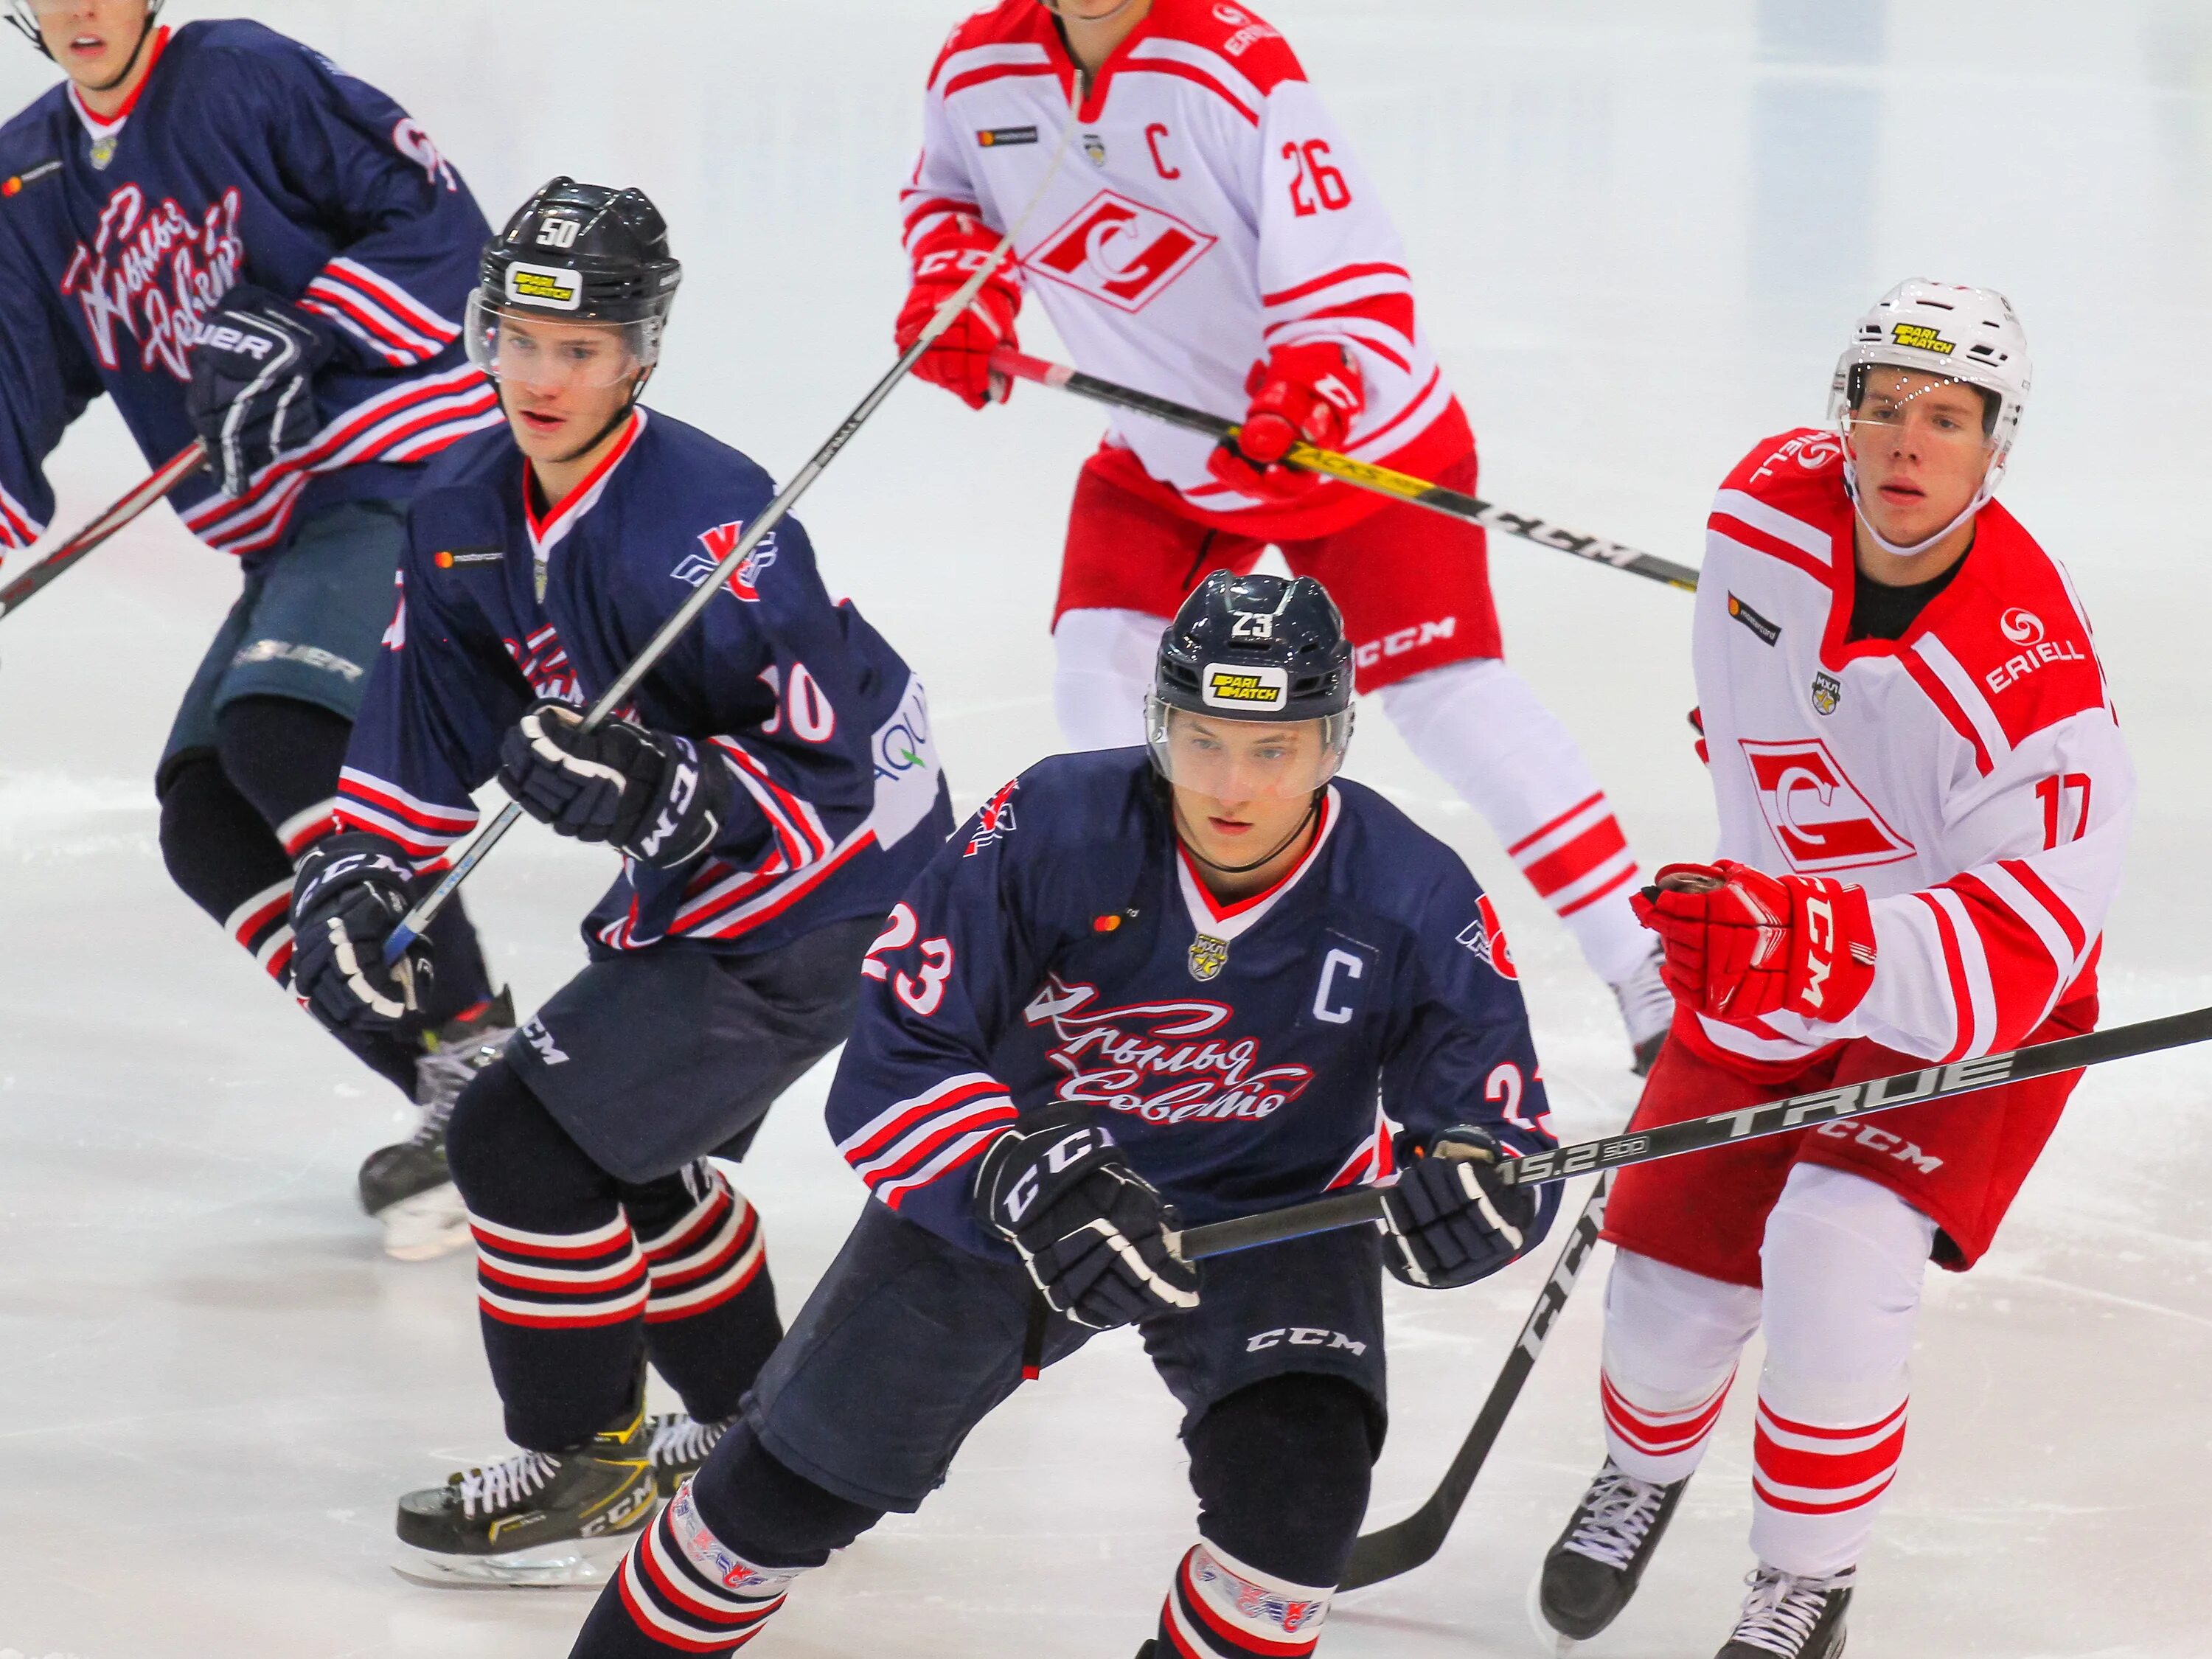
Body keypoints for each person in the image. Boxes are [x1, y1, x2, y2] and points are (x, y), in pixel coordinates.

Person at [561, 569, 1562, 1658]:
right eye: (1201, 737)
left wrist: (1477, 1192)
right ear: (1158, 723)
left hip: (1271, 1217)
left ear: (1332, 744)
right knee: (762, 1512)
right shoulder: (1052, 823)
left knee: (1294, 1522)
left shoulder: (1411, 892)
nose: (1230, 782)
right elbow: (902, 1037)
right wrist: (1011, 1176)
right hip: (1015, 1204)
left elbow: (1495, 1131)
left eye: (1271, 749)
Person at [287, 176, 953, 1586]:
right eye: (519, 337)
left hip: (838, 884)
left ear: (638, 355)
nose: (540, 374)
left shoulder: (707, 520)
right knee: (616, 1145)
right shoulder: (462, 500)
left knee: (523, 1138)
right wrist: (359, 867)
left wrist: (665, 790)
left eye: (578, 349)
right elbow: (424, 709)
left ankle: (586, 1454)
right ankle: (750, 1425)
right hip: (724, 886)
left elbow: (831, 778)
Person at [894, 0, 1672, 1070]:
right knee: (1097, 674)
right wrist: (957, 293)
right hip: (1165, 450)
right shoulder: (978, 68)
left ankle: (1643, 966)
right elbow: (949, 195)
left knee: (1451, 698)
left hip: (1351, 441)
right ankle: (1117, 971)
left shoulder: (1228, 64)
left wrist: (1313, 374)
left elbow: (1349, 257)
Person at [1530, 282, 2133, 1659]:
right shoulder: (1758, 512)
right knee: (1669, 1269)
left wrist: (1812, 937)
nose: (1907, 443)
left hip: (1966, 995)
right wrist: (1770, 870)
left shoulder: (2034, 684)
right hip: (1771, 946)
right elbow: (1756, 702)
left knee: (1834, 1246)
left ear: (1998, 447)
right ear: (1842, 417)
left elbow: (2006, 966)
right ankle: (1641, 1472)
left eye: (1948, 419)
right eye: (1882, 407)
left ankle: (1805, 1579)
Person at [0, 0, 512, 1256]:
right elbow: (11, 397)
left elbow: (448, 233)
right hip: (289, 535)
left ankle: (479, 1072)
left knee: (282, 730)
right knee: (210, 822)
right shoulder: (26, 176)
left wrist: (305, 319)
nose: (81, 9)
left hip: (412, 477)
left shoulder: (239, 73)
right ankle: (498, 1115)